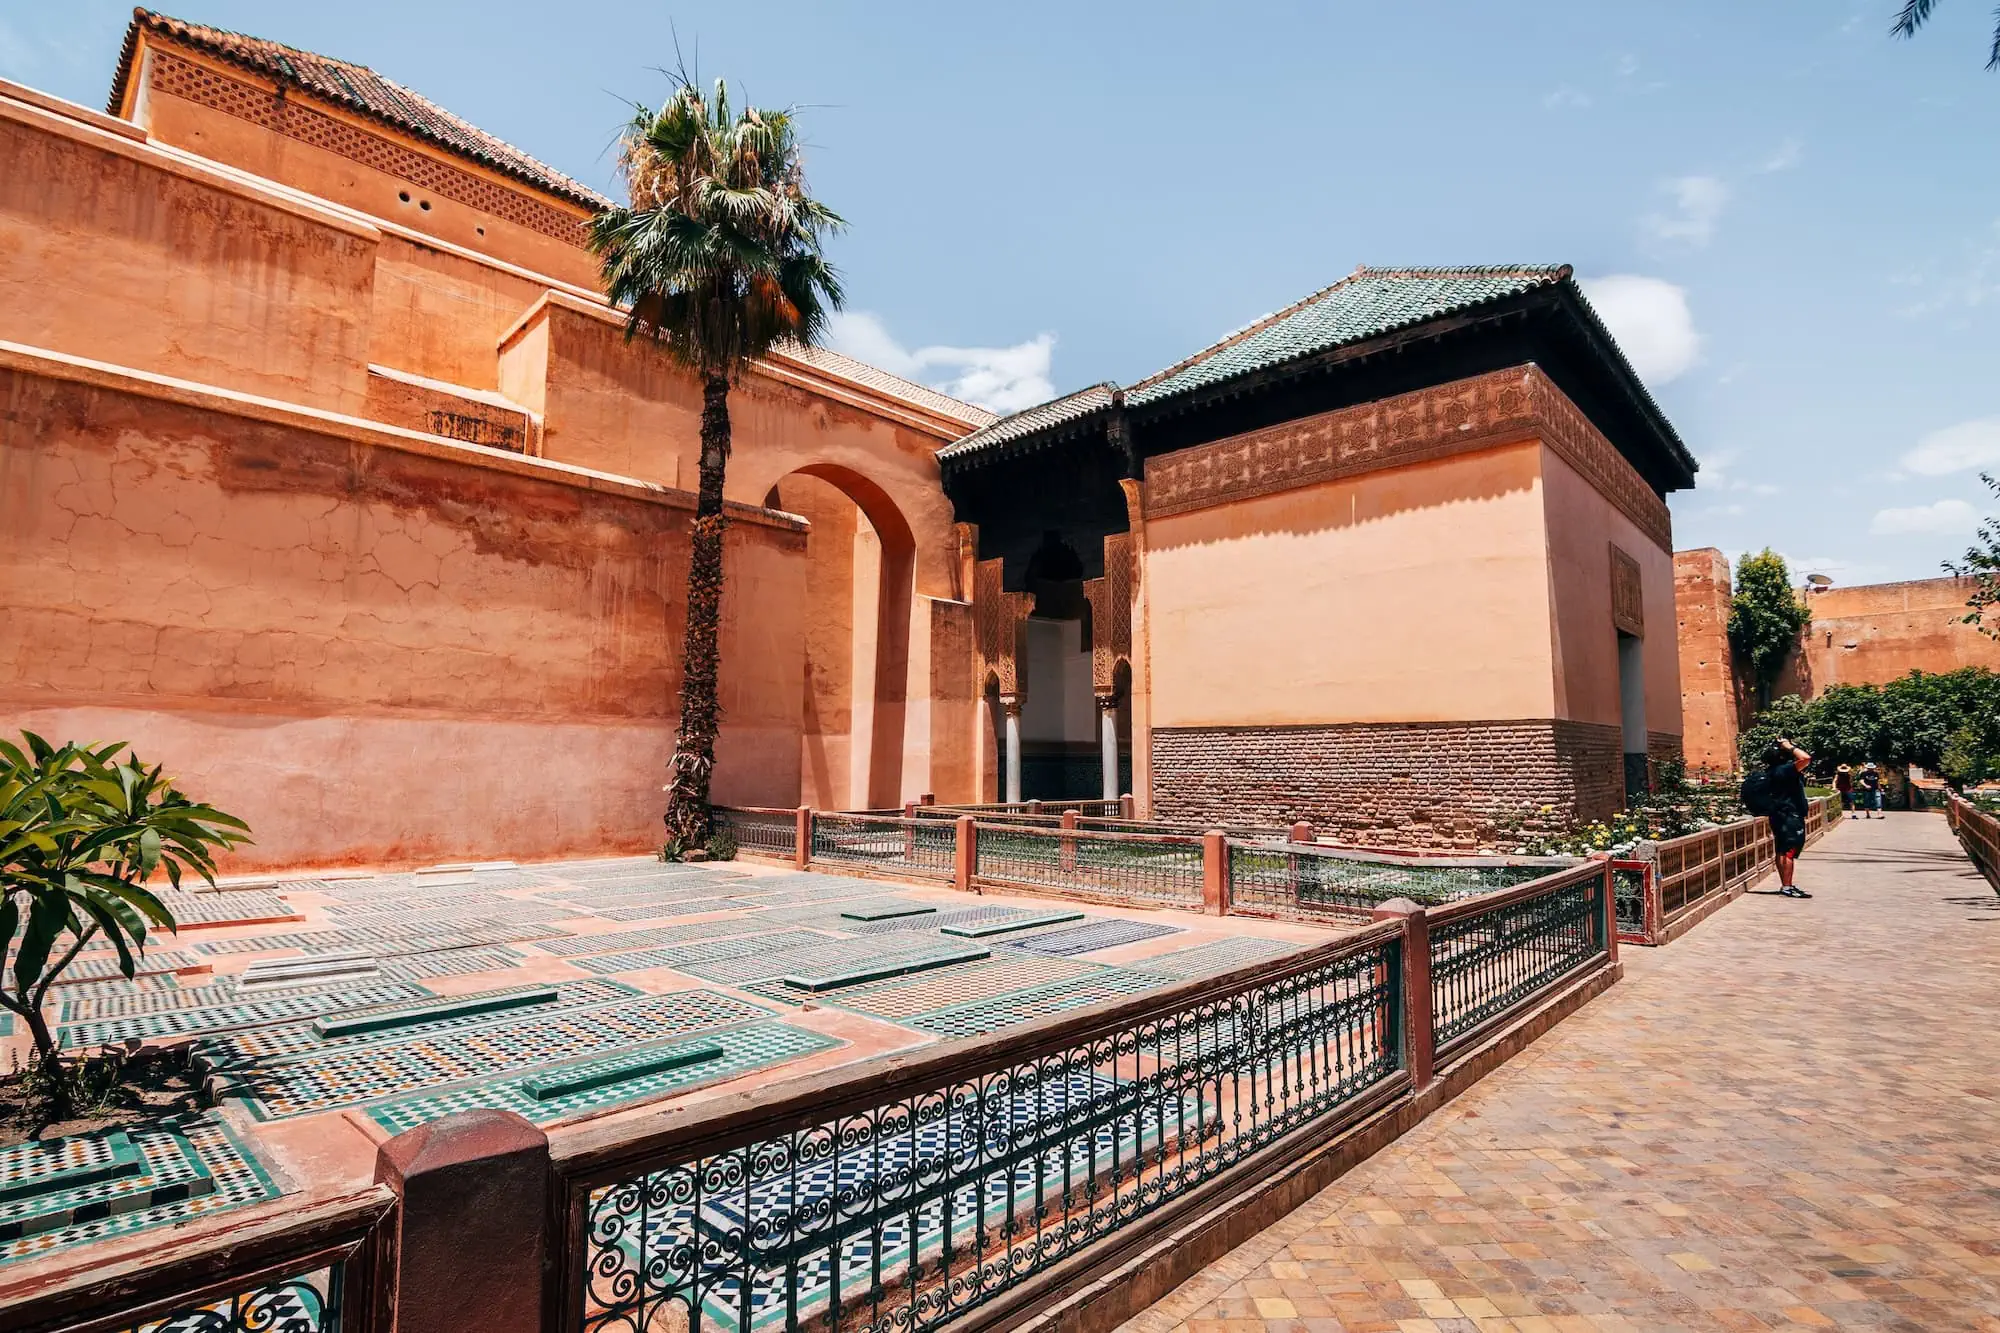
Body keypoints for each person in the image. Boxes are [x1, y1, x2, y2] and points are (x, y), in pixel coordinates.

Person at [1763, 738, 1812, 898]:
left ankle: (1785, 885)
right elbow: (1806, 758)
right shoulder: (1785, 770)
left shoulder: (1771, 772)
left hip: (1778, 815)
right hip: (1790, 816)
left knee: (1781, 850)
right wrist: (1789, 746)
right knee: (1789, 851)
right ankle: (1787, 887)